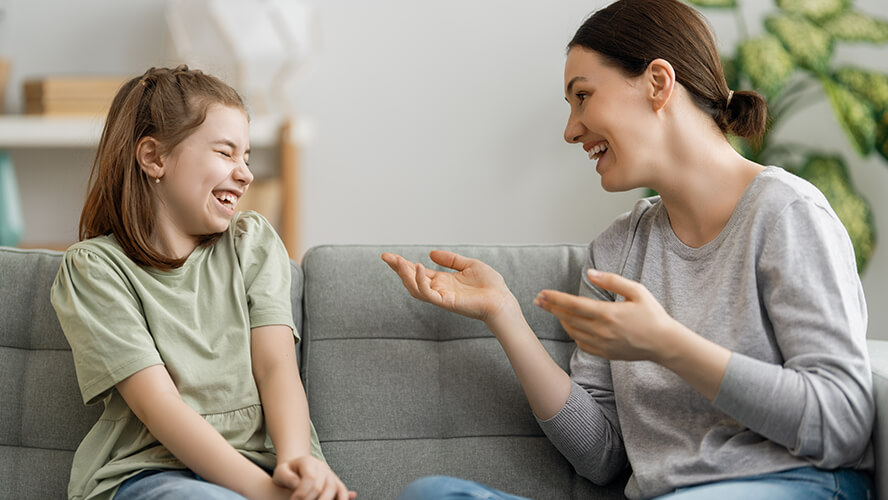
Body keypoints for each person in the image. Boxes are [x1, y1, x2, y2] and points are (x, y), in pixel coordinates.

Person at [381, 0, 874, 499]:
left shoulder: (785, 213)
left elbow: (843, 421)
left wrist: (668, 344)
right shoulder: (618, 248)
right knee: (432, 494)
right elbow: (602, 455)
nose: (571, 129)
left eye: (583, 96)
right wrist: (503, 314)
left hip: (794, 484)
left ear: (658, 83)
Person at [51, 66, 355, 500]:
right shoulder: (94, 268)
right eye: (226, 152)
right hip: (152, 474)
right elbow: (160, 407)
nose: (246, 173)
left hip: (270, 468)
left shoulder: (252, 241)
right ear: (154, 158)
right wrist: (267, 496)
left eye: (246, 157)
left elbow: (276, 368)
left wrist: (294, 466)